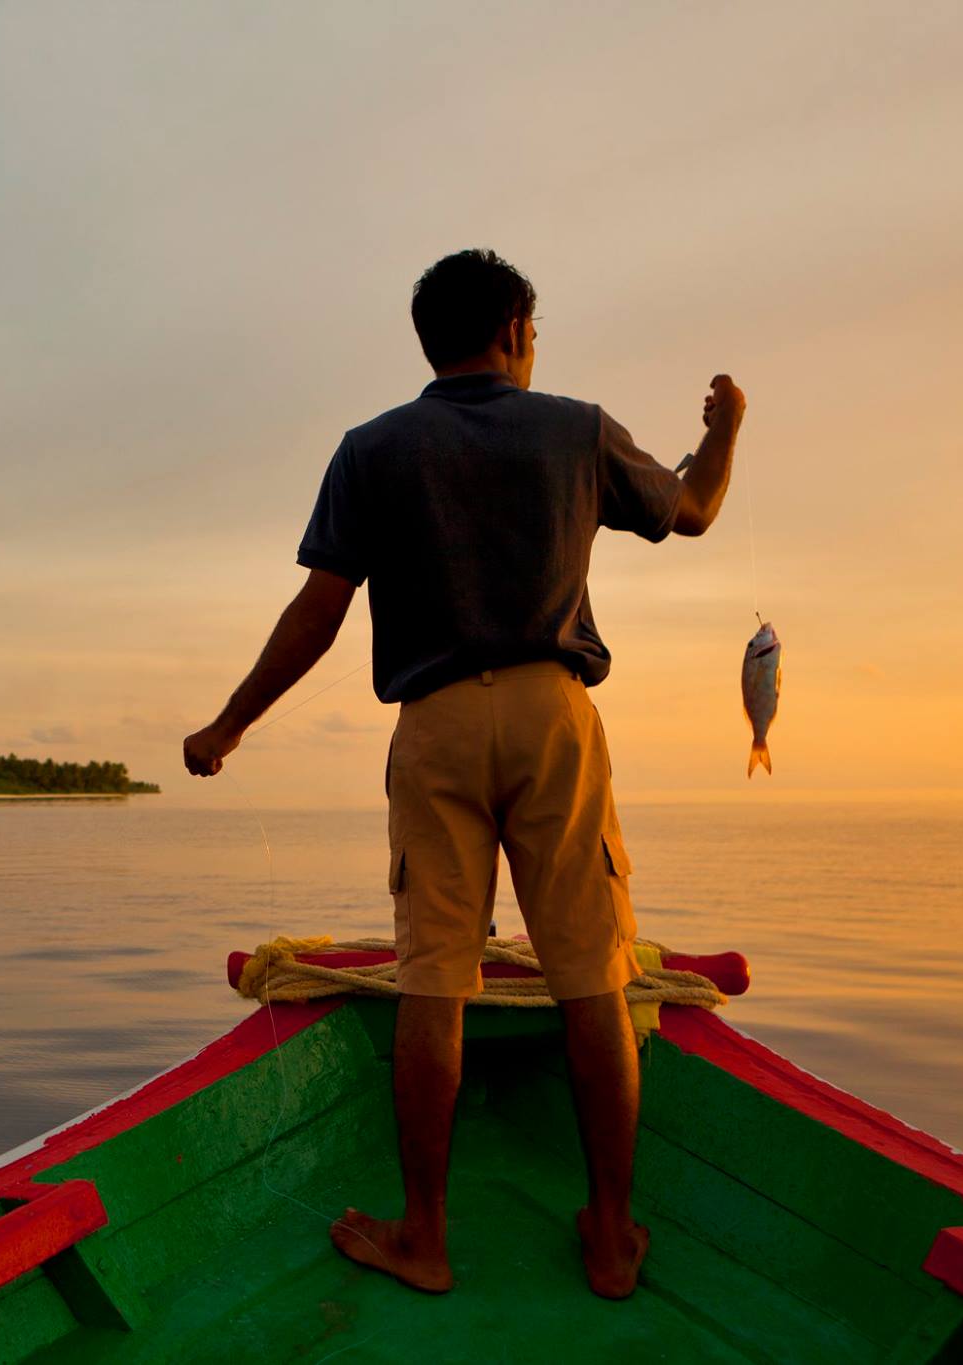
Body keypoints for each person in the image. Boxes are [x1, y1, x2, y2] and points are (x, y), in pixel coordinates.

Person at [181, 248, 745, 1300]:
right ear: (516, 332)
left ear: (431, 342)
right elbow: (694, 508)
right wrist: (723, 431)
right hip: (551, 714)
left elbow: (318, 611)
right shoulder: (576, 429)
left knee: (433, 982)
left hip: (434, 725)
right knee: (592, 977)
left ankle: (425, 1238)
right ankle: (609, 1235)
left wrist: (228, 724)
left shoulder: (370, 449)